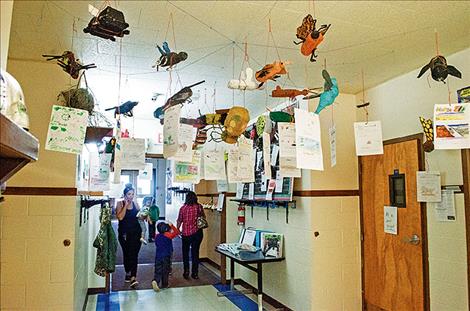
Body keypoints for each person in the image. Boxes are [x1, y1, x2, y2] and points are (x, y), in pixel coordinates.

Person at [116, 184, 142, 288]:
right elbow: (120, 217)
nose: (131, 196)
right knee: (127, 254)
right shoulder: (120, 203)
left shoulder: (136, 203)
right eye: (129, 194)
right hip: (124, 234)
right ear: (125, 195)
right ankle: (128, 271)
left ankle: (133, 277)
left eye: (132, 194)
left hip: (136, 233)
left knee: (134, 254)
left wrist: (144, 216)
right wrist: (126, 205)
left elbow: (140, 217)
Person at [177, 191, 205, 280]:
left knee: (185, 253)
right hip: (197, 233)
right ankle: (195, 273)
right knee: (195, 253)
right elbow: (203, 217)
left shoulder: (182, 208)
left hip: (185, 234)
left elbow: (179, 220)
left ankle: (186, 272)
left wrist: (178, 229)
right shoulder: (199, 207)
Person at [151, 221, 180, 292]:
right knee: (165, 270)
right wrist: (172, 225)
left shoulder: (156, 236)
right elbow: (177, 232)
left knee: (158, 270)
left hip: (158, 256)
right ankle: (165, 284)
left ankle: (156, 280)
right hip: (166, 256)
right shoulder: (168, 235)